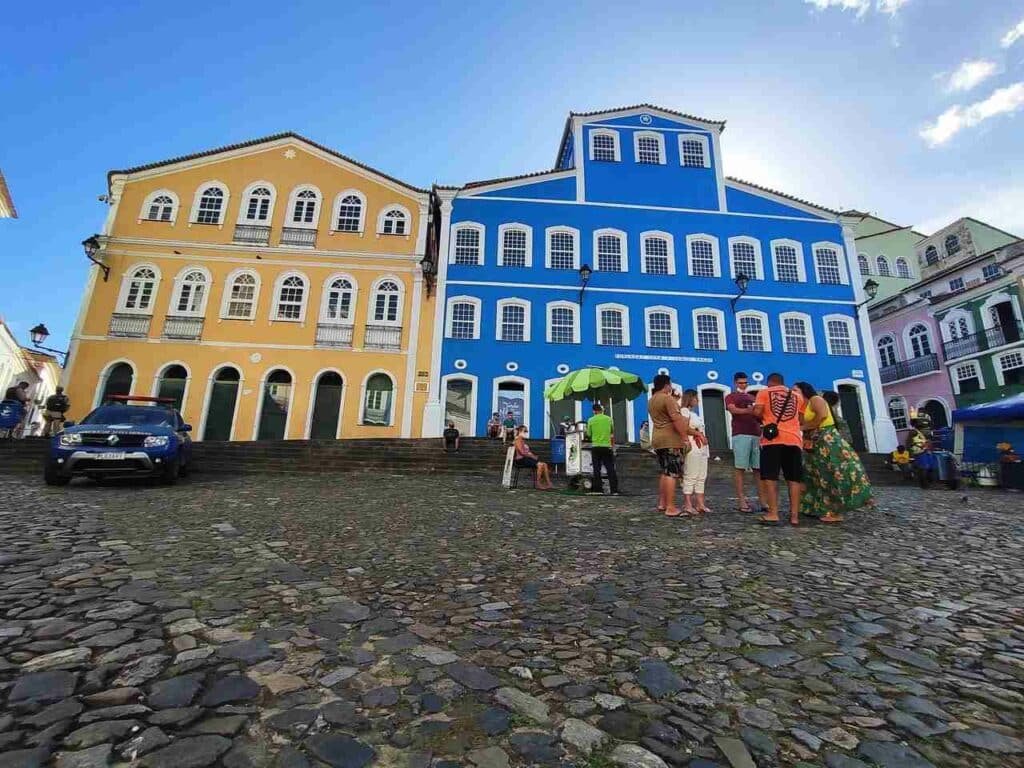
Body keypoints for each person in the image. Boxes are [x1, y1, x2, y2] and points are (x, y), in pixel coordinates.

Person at [795, 382, 873, 523]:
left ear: (804, 390)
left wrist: (802, 427)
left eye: (795, 390)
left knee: (832, 473)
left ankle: (836, 511)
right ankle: (815, 507)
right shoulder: (802, 406)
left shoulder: (816, 399)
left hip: (827, 440)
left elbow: (822, 416)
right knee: (816, 475)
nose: (792, 392)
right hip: (814, 443)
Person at [753, 373, 805, 526]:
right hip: (794, 440)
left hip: (772, 440)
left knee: (770, 477)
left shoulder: (763, 393)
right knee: (794, 479)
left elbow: (757, 412)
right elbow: (801, 419)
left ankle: (773, 513)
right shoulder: (797, 396)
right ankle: (794, 516)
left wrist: (763, 418)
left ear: (769, 382)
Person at [647, 373, 702, 518]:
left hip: (658, 439)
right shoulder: (667, 399)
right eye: (670, 385)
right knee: (672, 472)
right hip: (671, 439)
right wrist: (685, 437)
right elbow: (677, 420)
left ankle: (662, 502)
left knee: (665, 472)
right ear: (666, 385)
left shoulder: (652, 400)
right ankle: (671, 507)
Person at [725, 372, 767, 514]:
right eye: (741, 383)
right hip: (740, 433)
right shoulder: (731, 396)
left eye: (745, 383)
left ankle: (763, 501)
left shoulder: (752, 397)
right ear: (736, 383)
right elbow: (733, 409)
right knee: (740, 468)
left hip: (755, 433)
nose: (743, 385)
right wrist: (749, 410)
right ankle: (742, 500)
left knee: (758, 469)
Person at [679, 389, 711, 516]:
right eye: (696, 398)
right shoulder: (685, 411)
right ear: (690, 398)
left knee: (701, 475)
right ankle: (688, 504)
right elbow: (684, 428)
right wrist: (698, 433)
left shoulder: (694, 414)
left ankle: (700, 503)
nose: (698, 400)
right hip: (693, 444)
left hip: (701, 446)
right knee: (691, 473)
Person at [585, 402, 618, 496]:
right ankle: (614, 490)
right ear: (602, 410)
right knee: (610, 468)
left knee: (597, 469)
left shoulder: (591, 420)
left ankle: (598, 489)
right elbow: (612, 431)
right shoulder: (609, 419)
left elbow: (589, 434)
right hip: (607, 447)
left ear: (594, 411)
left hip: (596, 447)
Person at [512, 425, 553, 489]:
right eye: (525, 431)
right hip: (521, 460)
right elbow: (522, 453)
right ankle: (538, 484)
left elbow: (525, 452)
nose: (526, 433)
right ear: (520, 431)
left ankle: (549, 483)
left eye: (526, 431)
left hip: (525, 458)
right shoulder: (518, 439)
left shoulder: (521, 440)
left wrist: (532, 456)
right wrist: (531, 456)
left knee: (544, 464)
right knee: (540, 465)